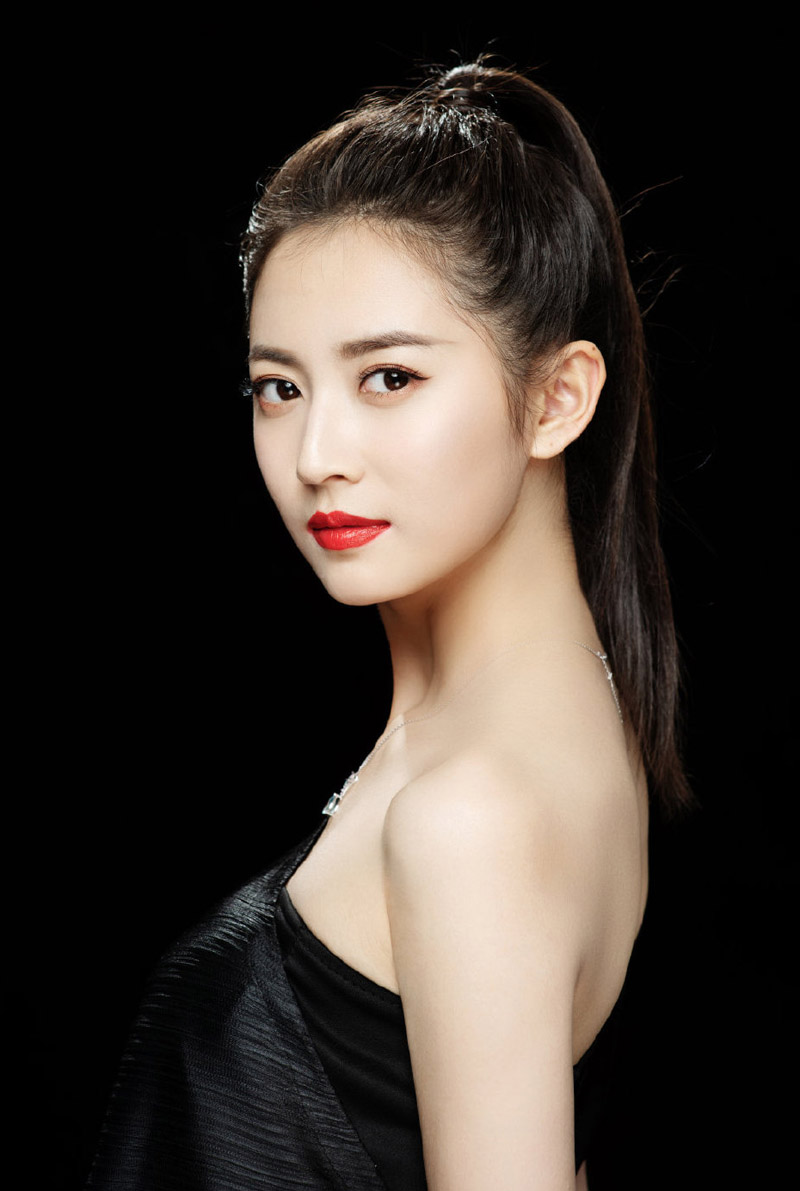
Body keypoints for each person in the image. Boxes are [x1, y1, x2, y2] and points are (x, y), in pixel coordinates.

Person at [90, 60, 689, 1190]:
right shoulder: (558, 721)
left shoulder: (473, 818)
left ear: (556, 397)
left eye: (390, 378)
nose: (317, 455)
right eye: (279, 388)